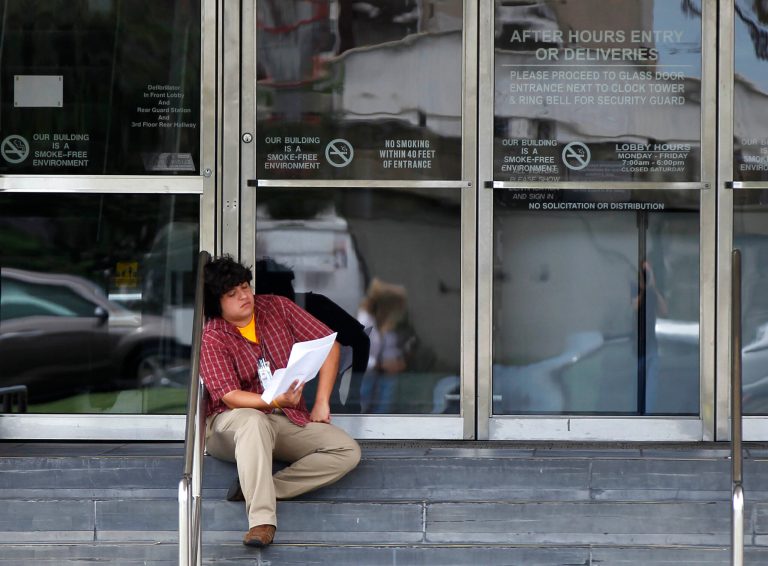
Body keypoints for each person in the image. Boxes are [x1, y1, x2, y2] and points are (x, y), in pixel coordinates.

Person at [199, 256, 361, 548]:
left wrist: (322, 402)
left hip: (283, 416)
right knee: (251, 419)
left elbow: (330, 345)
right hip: (229, 424)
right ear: (216, 303)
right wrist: (272, 398)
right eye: (232, 294)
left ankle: (259, 488)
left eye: (245, 287)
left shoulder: (276, 306)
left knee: (346, 450)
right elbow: (230, 396)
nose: (244, 297)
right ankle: (261, 522)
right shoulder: (211, 336)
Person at [357, 278, 409, 413]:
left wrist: (398, 361)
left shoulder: (387, 324)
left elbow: (390, 348)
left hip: (383, 376)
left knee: (384, 406)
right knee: (362, 407)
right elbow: (357, 355)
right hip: (366, 376)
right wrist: (381, 365)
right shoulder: (364, 321)